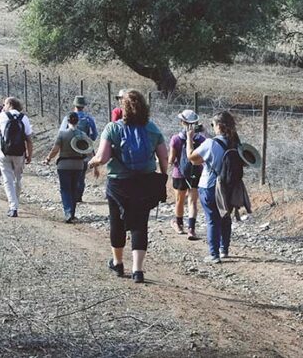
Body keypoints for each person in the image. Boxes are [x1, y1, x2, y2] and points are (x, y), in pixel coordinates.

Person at [88, 90, 168, 283]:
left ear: (122, 107)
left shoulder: (112, 128)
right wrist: (163, 175)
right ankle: (137, 270)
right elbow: (164, 157)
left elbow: (103, 157)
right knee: (140, 224)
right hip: (145, 181)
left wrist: (92, 162)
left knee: (117, 222)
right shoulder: (152, 128)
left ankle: (118, 263)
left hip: (119, 183)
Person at [190, 111, 241, 264]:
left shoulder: (210, 143)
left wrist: (189, 139)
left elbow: (192, 158)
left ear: (218, 126)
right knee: (225, 217)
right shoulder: (236, 143)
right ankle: (224, 249)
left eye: (213, 125)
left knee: (212, 219)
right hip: (230, 186)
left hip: (210, 185)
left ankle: (214, 254)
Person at [44, 112, 88, 223]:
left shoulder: (62, 134)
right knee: (74, 189)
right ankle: (72, 213)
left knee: (65, 189)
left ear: (67, 121)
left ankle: (68, 212)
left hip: (64, 165)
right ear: (78, 121)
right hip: (78, 166)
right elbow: (88, 150)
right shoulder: (83, 135)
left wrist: (48, 158)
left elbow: (55, 150)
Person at [169, 110, 206, 240]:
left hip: (179, 173)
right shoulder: (201, 139)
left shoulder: (176, 139)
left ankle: (179, 225)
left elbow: (171, 159)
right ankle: (191, 229)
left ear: (182, 122)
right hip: (196, 172)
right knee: (192, 201)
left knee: (179, 200)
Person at [0, 97, 34, 218]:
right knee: (18, 178)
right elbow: (29, 139)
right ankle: (16, 202)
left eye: (4, 104)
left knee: (7, 179)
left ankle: (13, 207)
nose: (3, 106)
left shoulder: (3, 116)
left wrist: (3, 112)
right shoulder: (24, 118)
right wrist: (29, 155)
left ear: (9, 104)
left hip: (4, 152)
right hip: (19, 153)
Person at [59, 96, 98, 203]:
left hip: (68, 151)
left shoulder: (67, 118)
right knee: (81, 174)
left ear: (74, 105)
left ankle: (70, 196)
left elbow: (61, 133)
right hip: (84, 150)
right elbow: (94, 135)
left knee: (68, 174)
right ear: (84, 106)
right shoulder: (89, 119)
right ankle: (78, 196)